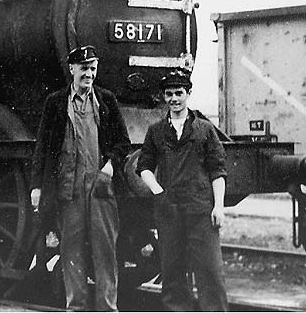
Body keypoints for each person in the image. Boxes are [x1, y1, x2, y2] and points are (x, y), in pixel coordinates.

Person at [30, 45, 131, 312]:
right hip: (68, 189)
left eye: (93, 68)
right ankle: (76, 307)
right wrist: (36, 186)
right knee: (71, 250)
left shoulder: (106, 100)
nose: (89, 73)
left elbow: (122, 143)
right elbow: (43, 147)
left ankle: (108, 308)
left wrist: (109, 168)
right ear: (72, 69)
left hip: (100, 188)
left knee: (105, 251)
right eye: (84, 68)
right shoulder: (55, 102)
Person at [136, 69, 228, 311]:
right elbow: (144, 166)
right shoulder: (155, 131)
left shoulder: (206, 130)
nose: (174, 98)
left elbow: (218, 171)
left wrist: (219, 206)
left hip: (201, 210)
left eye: (179, 93)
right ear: (164, 97)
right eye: (169, 94)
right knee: (173, 272)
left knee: (210, 272)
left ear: (188, 93)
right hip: (169, 211)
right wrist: (158, 192)